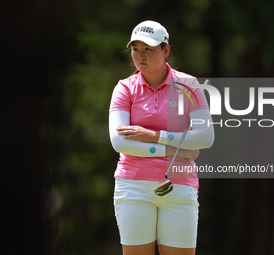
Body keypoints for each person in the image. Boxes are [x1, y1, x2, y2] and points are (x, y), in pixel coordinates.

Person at [109, 20, 214, 255]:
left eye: (149, 49)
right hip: (133, 186)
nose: (140, 55)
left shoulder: (188, 85)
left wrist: (154, 136)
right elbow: (120, 142)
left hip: (179, 185)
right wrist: (174, 150)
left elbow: (205, 136)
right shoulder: (124, 89)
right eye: (136, 49)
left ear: (165, 50)